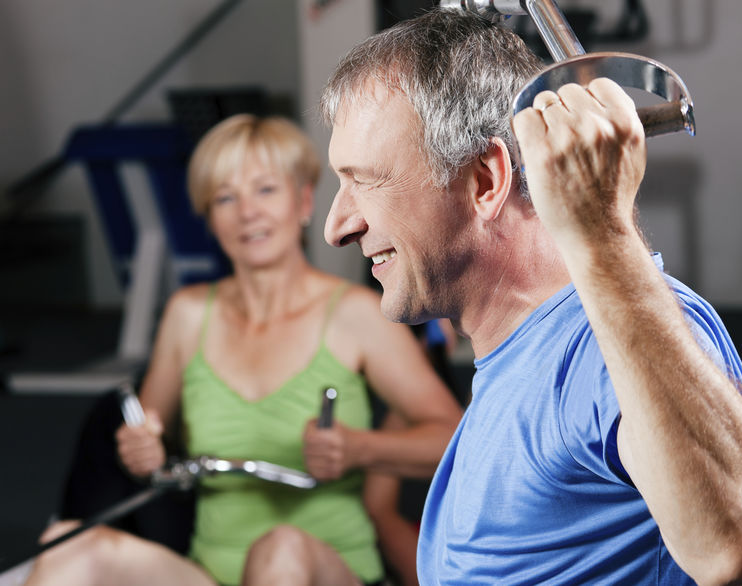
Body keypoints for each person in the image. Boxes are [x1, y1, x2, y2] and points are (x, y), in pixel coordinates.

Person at [321, 8, 742, 585]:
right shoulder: (515, 363)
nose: (337, 225)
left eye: (364, 181)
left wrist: (601, 228)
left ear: (485, 182)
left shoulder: (597, 346)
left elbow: (738, 539)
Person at [23, 114, 462, 586]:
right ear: (209, 219)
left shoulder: (355, 314)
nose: (247, 211)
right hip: (211, 574)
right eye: (225, 198)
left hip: (323, 569)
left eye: (265, 190)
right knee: (68, 545)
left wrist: (360, 448)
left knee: (281, 548)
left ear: (304, 201)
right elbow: (146, 441)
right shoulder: (187, 315)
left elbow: (456, 438)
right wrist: (142, 450)